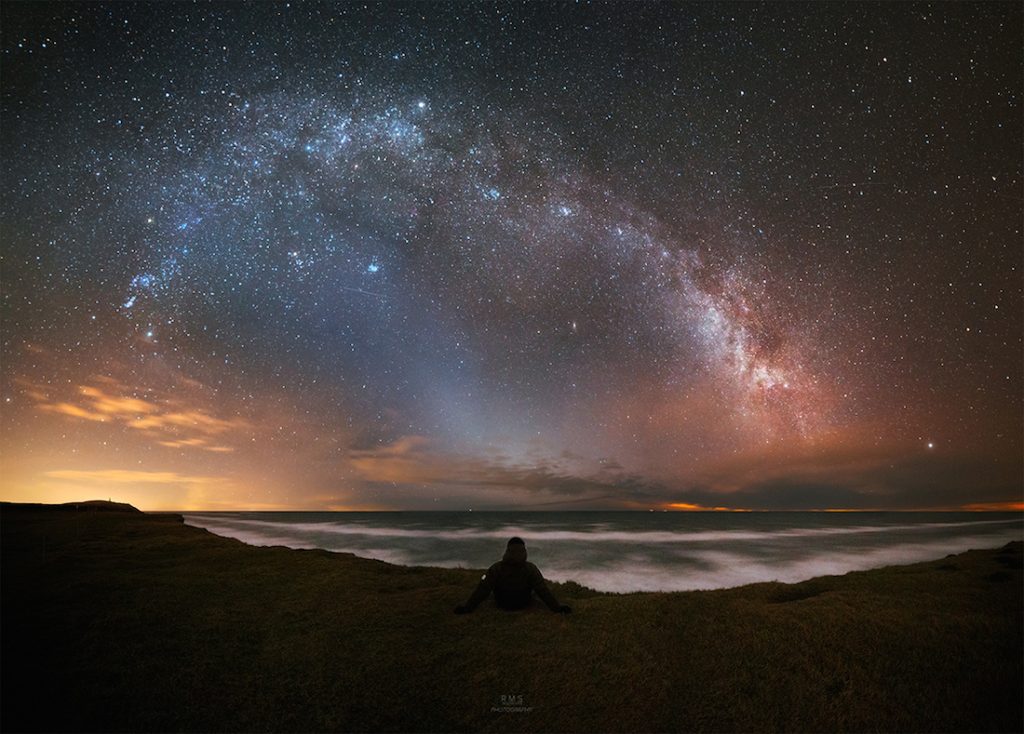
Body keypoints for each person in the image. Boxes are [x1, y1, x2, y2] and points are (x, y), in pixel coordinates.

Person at [454, 537, 572, 614]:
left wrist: (467, 608)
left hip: (502, 603)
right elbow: (543, 591)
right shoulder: (531, 568)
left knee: (488, 589)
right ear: (524, 551)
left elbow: (482, 590)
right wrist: (557, 608)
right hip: (523, 603)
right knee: (536, 591)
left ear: (507, 551)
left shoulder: (496, 568)